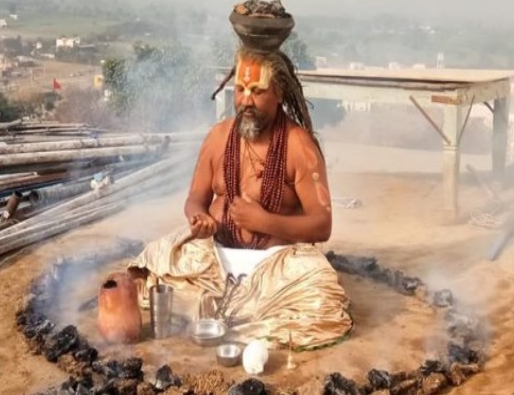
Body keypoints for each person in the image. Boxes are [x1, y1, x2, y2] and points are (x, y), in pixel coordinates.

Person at [128, 41, 352, 350]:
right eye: (240, 90)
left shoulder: (299, 146)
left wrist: (264, 222)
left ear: (279, 94)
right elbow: (195, 199)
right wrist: (199, 218)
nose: (246, 100)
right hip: (213, 261)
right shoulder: (217, 137)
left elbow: (322, 225)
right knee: (156, 260)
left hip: (276, 267)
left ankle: (230, 312)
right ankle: (242, 313)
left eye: (257, 92)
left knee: (321, 291)